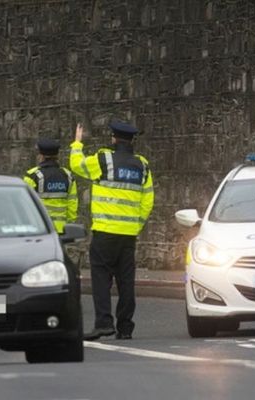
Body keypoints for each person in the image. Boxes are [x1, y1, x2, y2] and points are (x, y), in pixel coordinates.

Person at [69, 121, 154, 340]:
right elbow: (148, 201)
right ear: (132, 140)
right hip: (128, 234)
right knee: (126, 281)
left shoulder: (103, 160)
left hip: (105, 231)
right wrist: (135, 225)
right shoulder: (142, 165)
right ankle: (125, 327)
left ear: (114, 138)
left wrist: (77, 144)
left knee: (100, 278)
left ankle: (104, 324)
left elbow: (77, 165)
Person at [24, 138, 78, 234]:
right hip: (62, 230)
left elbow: (25, 205)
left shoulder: (32, 176)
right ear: (57, 155)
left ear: (41, 156)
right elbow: (72, 204)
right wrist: (69, 224)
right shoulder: (68, 176)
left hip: (39, 229)